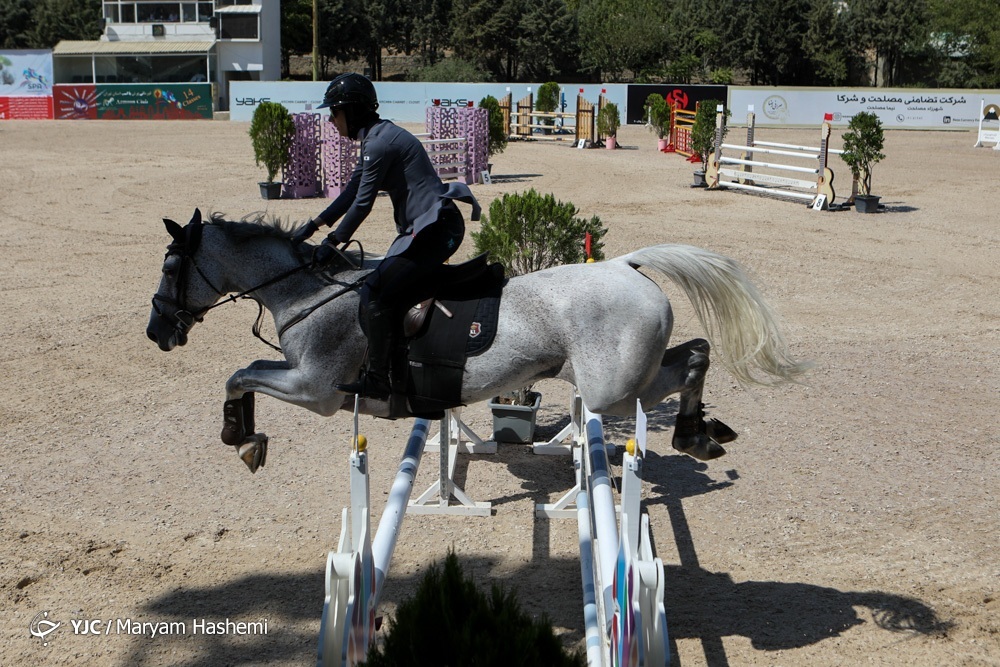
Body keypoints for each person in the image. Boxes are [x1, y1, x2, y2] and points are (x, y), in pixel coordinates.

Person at [291, 73, 481, 400]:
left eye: (334, 112)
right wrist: (314, 225)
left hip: (437, 229)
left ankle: (380, 379)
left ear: (351, 111)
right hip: (428, 228)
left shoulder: (378, 143)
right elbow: (351, 191)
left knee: (375, 291)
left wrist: (332, 243)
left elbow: (363, 203)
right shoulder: (376, 138)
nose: (331, 120)